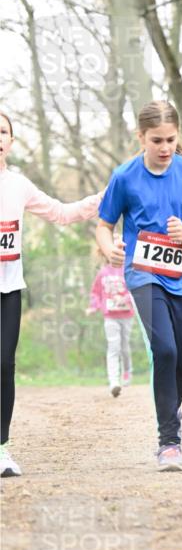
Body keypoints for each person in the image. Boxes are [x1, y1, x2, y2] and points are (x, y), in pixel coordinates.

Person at [96, 101, 182, 471]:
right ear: (141, 137)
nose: (164, 148)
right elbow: (104, 225)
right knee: (163, 350)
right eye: (156, 141)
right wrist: (110, 251)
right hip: (142, 273)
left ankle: (169, 411)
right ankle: (169, 441)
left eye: (170, 139)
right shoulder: (125, 176)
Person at [0, 111, 102, 477]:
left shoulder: (18, 185)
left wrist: (101, 199)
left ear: (11, 141)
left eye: (3, 131)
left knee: (4, 365)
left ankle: (2, 450)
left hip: (9, 287)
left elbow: (60, 213)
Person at [86, 248, 134, 397]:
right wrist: (93, 307)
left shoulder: (128, 270)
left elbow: (134, 290)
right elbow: (95, 292)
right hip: (110, 316)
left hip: (126, 315)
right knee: (114, 347)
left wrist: (125, 299)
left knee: (124, 347)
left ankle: (127, 370)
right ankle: (114, 382)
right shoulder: (103, 273)